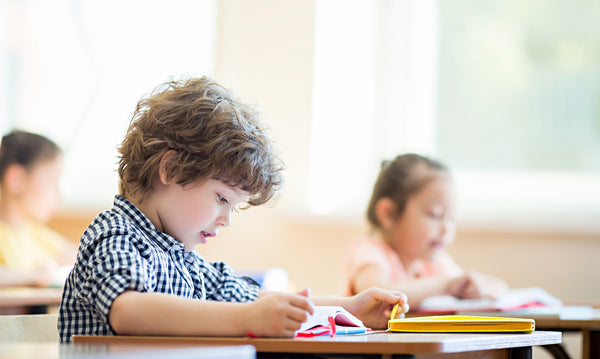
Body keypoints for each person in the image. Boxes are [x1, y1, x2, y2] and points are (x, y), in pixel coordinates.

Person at [58, 77, 408, 343]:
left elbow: (253, 298)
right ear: (171, 170)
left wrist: (348, 308)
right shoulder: (114, 234)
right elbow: (129, 312)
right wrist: (246, 320)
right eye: (222, 199)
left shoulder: (183, 260)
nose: (225, 220)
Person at [343, 153, 508, 309]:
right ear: (389, 214)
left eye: (451, 218)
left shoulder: (432, 262)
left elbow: (496, 286)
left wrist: (474, 287)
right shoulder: (369, 253)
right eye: (435, 214)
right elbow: (377, 297)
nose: (446, 229)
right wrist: (445, 285)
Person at [0, 130, 77, 287]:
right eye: (52, 182)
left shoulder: (34, 232)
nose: (59, 197)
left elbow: (82, 255)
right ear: (16, 179)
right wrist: (33, 276)